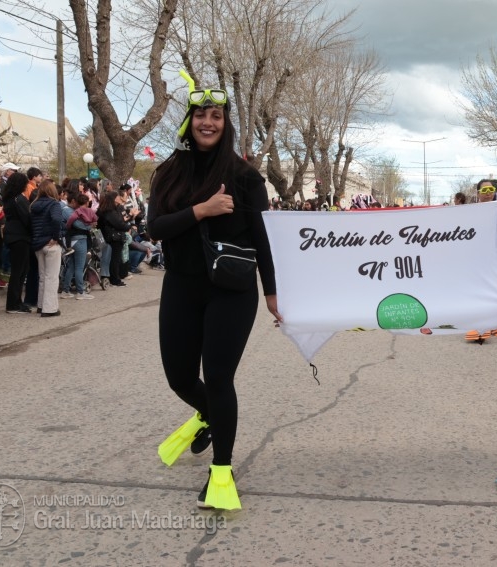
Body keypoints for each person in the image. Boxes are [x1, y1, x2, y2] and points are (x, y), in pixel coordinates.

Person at [148, 75, 281, 510]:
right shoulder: (168, 171)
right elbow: (155, 227)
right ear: (189, 121)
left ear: (226, 124)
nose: (208, 122)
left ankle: (221, 470)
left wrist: (273, 293)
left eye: (217, 116)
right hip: (182, 286)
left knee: (219, 378)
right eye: (201, 114)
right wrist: (201, 210)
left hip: (232, 290)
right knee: (179, 377)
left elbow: (265, 241)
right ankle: (208, 414)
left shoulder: (245, 177)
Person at [30, 180, 64, 317]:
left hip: (38, 243)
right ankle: (50, 308)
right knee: (52, 276)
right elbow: (56, 220)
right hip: (50, 243)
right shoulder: (54, 204)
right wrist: (56, 237)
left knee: (43, 276)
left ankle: (40, 304)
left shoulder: (33, 205)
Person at [2, 172, 34, 314]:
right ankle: (13, 304)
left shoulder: (9, 198)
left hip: (14, 236)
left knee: (20, 270)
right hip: (20, 236)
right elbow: (27, 218)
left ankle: (16, 302)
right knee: (19, 271)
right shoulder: (18, 199)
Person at [97, 190, 131, 287]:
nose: (120, 198)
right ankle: (115, 279)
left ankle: (114, 277)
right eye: (118, 197)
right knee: (115, 259)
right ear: (114, 199)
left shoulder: (113, 209)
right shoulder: (110, 211)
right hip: (114, 237)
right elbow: (119, 224)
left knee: (114, 258)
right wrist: (128, 226)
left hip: (112, 236)